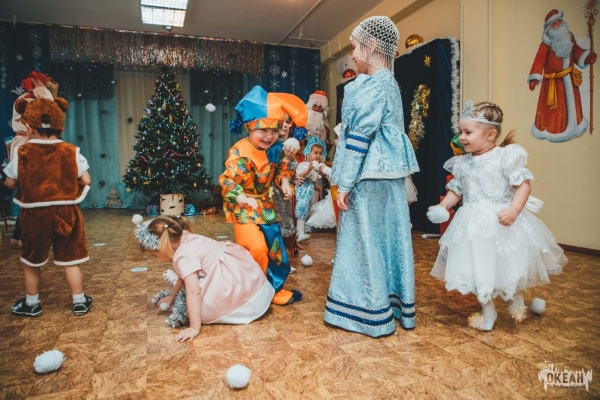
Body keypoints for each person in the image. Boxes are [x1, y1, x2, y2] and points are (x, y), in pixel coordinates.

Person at [429, 100, 567, 331]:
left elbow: (523, 186)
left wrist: (514, 210)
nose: (461, 138)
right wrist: (443, 207)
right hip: (472, 224)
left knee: (510, 264)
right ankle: (488, 310)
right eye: (460, 131)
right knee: (479, 267)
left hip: (501, 221)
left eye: (467, 132)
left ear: (490, 134)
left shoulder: (505, 157)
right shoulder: (462, 163)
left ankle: (516, 300)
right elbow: (457, 190)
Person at [324, 16, 420, 337]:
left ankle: (368, 311)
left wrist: (345, 183)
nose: (353, 55)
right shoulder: (389, 84)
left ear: (373, 45)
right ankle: (393, 305)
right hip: (388, 174)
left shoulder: (368, 85)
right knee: (388, 237)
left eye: (355, 47)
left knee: (363, 239)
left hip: (367, 176)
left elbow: (359, 137)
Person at [3, 96, 93, 317]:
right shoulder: (71, 150)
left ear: (29, 127)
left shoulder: (22, 153)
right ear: (60, 124)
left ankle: (32, 303)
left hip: (35, 213)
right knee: (71, 258)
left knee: (32, 260)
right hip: (66, 211)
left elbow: (10, 183)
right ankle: (79, 301)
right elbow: (86, 179)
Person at [219, 85, 307, 306]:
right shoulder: (239, 151)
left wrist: (285, 183)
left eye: (275, 131)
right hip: (243, 208)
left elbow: (280, 172)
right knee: (256, 248)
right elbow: (228, 180)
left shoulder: (276, 150)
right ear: (249, 128)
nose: (269, 136)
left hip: (266, 207)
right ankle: (254, 292)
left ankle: (275, 290)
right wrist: (241, 197)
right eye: (263, 130)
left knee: (276, 250)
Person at [134, 214, 275, 342]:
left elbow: (194, 292)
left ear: (164, 246)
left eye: (156, 255)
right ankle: (180, 285)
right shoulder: (185, 236)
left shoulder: (183, 257)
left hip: (237, 297)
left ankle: (181, 287)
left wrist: (194, 327)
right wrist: (171, 297)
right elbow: (184, 275)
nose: (157, 259)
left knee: (194, 306)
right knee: (190, 281)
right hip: (250, 283)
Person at [528, 9, 597, 142]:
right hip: (553, 84)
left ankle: (576, 126)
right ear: (549, 27)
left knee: (573, 105)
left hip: (570, 79)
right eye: (554, 23)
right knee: (554, 112)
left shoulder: (569, 36)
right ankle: (554, 132)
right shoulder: (546, 44)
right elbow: (539, 61)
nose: (558, 24)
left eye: (559, 21)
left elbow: (576, 51)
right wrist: (534, 78)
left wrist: (586, 57)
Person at [7, 72, 58, 247]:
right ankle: (28, 235)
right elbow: (52, 114)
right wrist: (45, 92)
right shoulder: (30, 101)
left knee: (33, 193)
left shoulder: (26, 99)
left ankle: (20, 235)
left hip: (29, 144)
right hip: (30, 146)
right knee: (35, 193)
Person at [266, 114, 305, 260]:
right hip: (271, 190)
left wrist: (292, 178)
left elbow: (288, 169)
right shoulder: (271, 146)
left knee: (286, 217)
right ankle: (275, 254)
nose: (284, 125)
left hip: (284, 191)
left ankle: (287, 247)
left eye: (286, 122)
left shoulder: (288, 145)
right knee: (274, 219)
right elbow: (273, 170)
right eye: (280, 122)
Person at [295, 135, 329, 242]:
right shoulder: (304, 164)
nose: (318, 155)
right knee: (302, 209)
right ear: (309, 153)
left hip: (308, 192)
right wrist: (308, 170)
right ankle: (300, 233)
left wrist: (315, 187)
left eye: (320, 153)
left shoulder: (315, 168)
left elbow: (311, 180)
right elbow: (299, 176)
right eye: (315, 153)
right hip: (302, 191)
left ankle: (299, 231)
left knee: (306, 210)